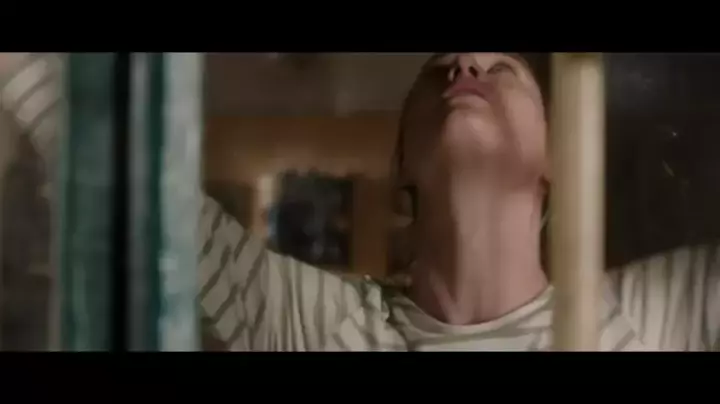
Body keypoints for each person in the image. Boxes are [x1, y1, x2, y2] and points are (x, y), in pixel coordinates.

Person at [2, 53, 719, 351]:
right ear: (402, 162)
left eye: (501, 67)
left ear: (557, 164)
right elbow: (139, 198)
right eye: (440, 69)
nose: (465, 64)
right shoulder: (319, 325)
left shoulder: (652, 314)